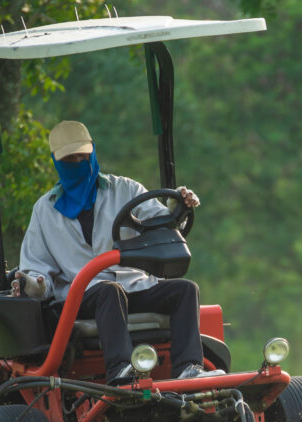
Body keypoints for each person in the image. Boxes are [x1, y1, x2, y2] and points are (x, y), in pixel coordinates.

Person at [13, 120, 224, 384]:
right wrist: (34, 283)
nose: (79, 163)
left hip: (133, 285)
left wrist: (177, 205)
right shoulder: (45, 211)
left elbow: (165, 225)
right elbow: (36, 270)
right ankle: (122, 369)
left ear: (93, 153)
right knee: (108, 292)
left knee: (185, 290)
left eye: (83, 156)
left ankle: (188, 368)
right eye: (70, 160)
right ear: (57, 163)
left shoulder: (125, 190)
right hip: (85, 295)